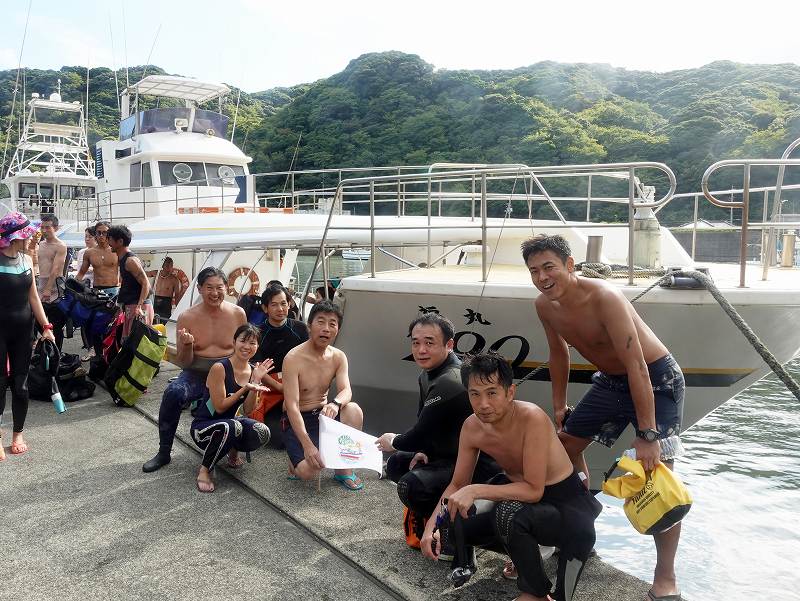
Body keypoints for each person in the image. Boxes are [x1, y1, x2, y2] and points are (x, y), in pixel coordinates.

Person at [523, 234, 685, 601]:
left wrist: (647, 433)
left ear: (569, 264)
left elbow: (637, 365)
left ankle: (666, 577)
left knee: (657, 476)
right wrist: (560, 404)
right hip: (611, 382)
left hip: (655, 379)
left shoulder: (605, 297)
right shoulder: (544, 305)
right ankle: (580, 519)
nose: (542, 277)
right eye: (534, 271)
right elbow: (558, 353)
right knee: (562, 449)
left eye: (549, 267)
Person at [420, 353, 602, 601]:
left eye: (492, 393)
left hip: (568, 512)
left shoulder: (532, 418)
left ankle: (536, 591)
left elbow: (534, 490)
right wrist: (432, 527)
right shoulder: (472, 427)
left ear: (510, 392)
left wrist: (476, 490)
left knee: (508, 512)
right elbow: (457, 484)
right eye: (475, 394)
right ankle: (525, 557)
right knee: (455, 517)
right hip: (527, 506)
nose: (483, 403)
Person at [375, 313, 500, 543]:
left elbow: (418, 434)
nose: (421, 349)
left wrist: (392, 441)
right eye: (416, 342)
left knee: (409, 486)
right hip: (448, 454)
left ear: (449, 344)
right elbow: (427, 426)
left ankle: (453, 531)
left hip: (477, 465)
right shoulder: (428, 374)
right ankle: (436, 518)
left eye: (429, 343)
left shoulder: (451, 380)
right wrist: (424, 451)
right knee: (397, 463)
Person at [142, 267, 247, 473]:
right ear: (199, 289)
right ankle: (164, 451)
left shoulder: (238, 314)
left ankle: (235, 447)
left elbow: (244, 351)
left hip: (227, 372)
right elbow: (184, 362)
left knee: (244, 397)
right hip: (197, 372)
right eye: (209, 288)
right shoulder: (187, 317)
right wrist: (187, 345)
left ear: (227, 288)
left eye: (219, 287)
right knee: (173, 393)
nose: (215, 293)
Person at [281, 300, 364, 490]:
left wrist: (335, 404)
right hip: (297, 417)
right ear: (309, 326)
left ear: (337, 330)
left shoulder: (338, 356)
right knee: (307, 472)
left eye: (332, 324)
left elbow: (346, 391)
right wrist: (308, 445)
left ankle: (343, 470)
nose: (326, 329)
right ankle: (296, 459)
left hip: (323, 415)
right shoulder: (293, 359)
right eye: (321, 322)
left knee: (353, 410)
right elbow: (291, 405)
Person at [0, 213, 57, 460]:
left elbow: (33, 297)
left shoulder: (25, 259)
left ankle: (17, 433)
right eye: (29, 233)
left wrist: (46, 326)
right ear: (16, 237)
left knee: (21, 386)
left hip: (23, 332)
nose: (33, 237)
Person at [190, 324, 272, 492]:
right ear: (234, 342)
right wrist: (246, 388)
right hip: (203, 428)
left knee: (262, 431)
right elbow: (219, 408)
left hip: (230, 423)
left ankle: (232, 450)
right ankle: (205, 470)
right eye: (243, 341)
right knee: (232, 425)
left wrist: (255, 383)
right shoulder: (220, 368)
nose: (247, 347)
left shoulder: (252, 371)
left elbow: (248, 410)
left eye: (253, 343)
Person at [249, 283, 309, 427]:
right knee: (272, 434)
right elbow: (256, 368)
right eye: (274, 305)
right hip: (270, 385)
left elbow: (310, 359)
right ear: (265, 308)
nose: (280, 309)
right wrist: (281, 388)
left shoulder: (300, 329)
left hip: (298, 383)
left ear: (289, 304)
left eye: (283, 303)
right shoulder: (258, 333)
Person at [107, 225, 153, 338]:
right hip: (130, 306)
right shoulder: (122, 259)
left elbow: (146, 283)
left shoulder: (130, 260)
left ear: (120, 241)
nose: (108, 242)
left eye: (110, 239)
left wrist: (139, 307)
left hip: (138, 307)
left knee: (138, 345)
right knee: (127, 344)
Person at [36, 214, 68, 349]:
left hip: (55, 285)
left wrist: (48, 289)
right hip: (40, 283)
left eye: (47, 227)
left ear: (55, 228)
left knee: (56, 324)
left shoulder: (60, 245)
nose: (44, 230)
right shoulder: (40, 244)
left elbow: (55, 269)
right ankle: (46, 346)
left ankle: (57, 353)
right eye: (42, 227)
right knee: (38, 321)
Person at [76, 221, 120, 296]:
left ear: (109, 234)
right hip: (96, 290)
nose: (101, 235)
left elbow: (124, 272)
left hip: (113, 289)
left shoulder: (117, 251)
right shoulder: (89, 252)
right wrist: (72, 286)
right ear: (95, 234)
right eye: (98, 232)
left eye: (104, 232)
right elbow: (81, 273)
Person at [147, 257, 183, 321]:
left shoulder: (174, 279)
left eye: (171, 265)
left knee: (164, 322)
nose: (169, 267)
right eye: (167, 265)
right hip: (155, 300)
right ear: (163, 265)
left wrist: (178, 309)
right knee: (153, 321)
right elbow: (142, 274)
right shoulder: (156, 273)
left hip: (166, 304)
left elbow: (177, 296)